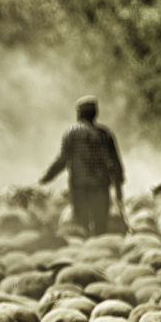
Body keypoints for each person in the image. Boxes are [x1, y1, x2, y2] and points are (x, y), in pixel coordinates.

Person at [39, 95, 126, 236]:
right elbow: (115, 163)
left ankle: (84, 251)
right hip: (101, 186)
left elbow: (62, 160)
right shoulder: (105, 134)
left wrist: (47, 177)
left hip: (79, 187)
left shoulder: (71, 133)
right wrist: (118, 187)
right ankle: (98, 250)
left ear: (79, 113)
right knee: (100, 225)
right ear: (95, 113)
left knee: (81, 225)